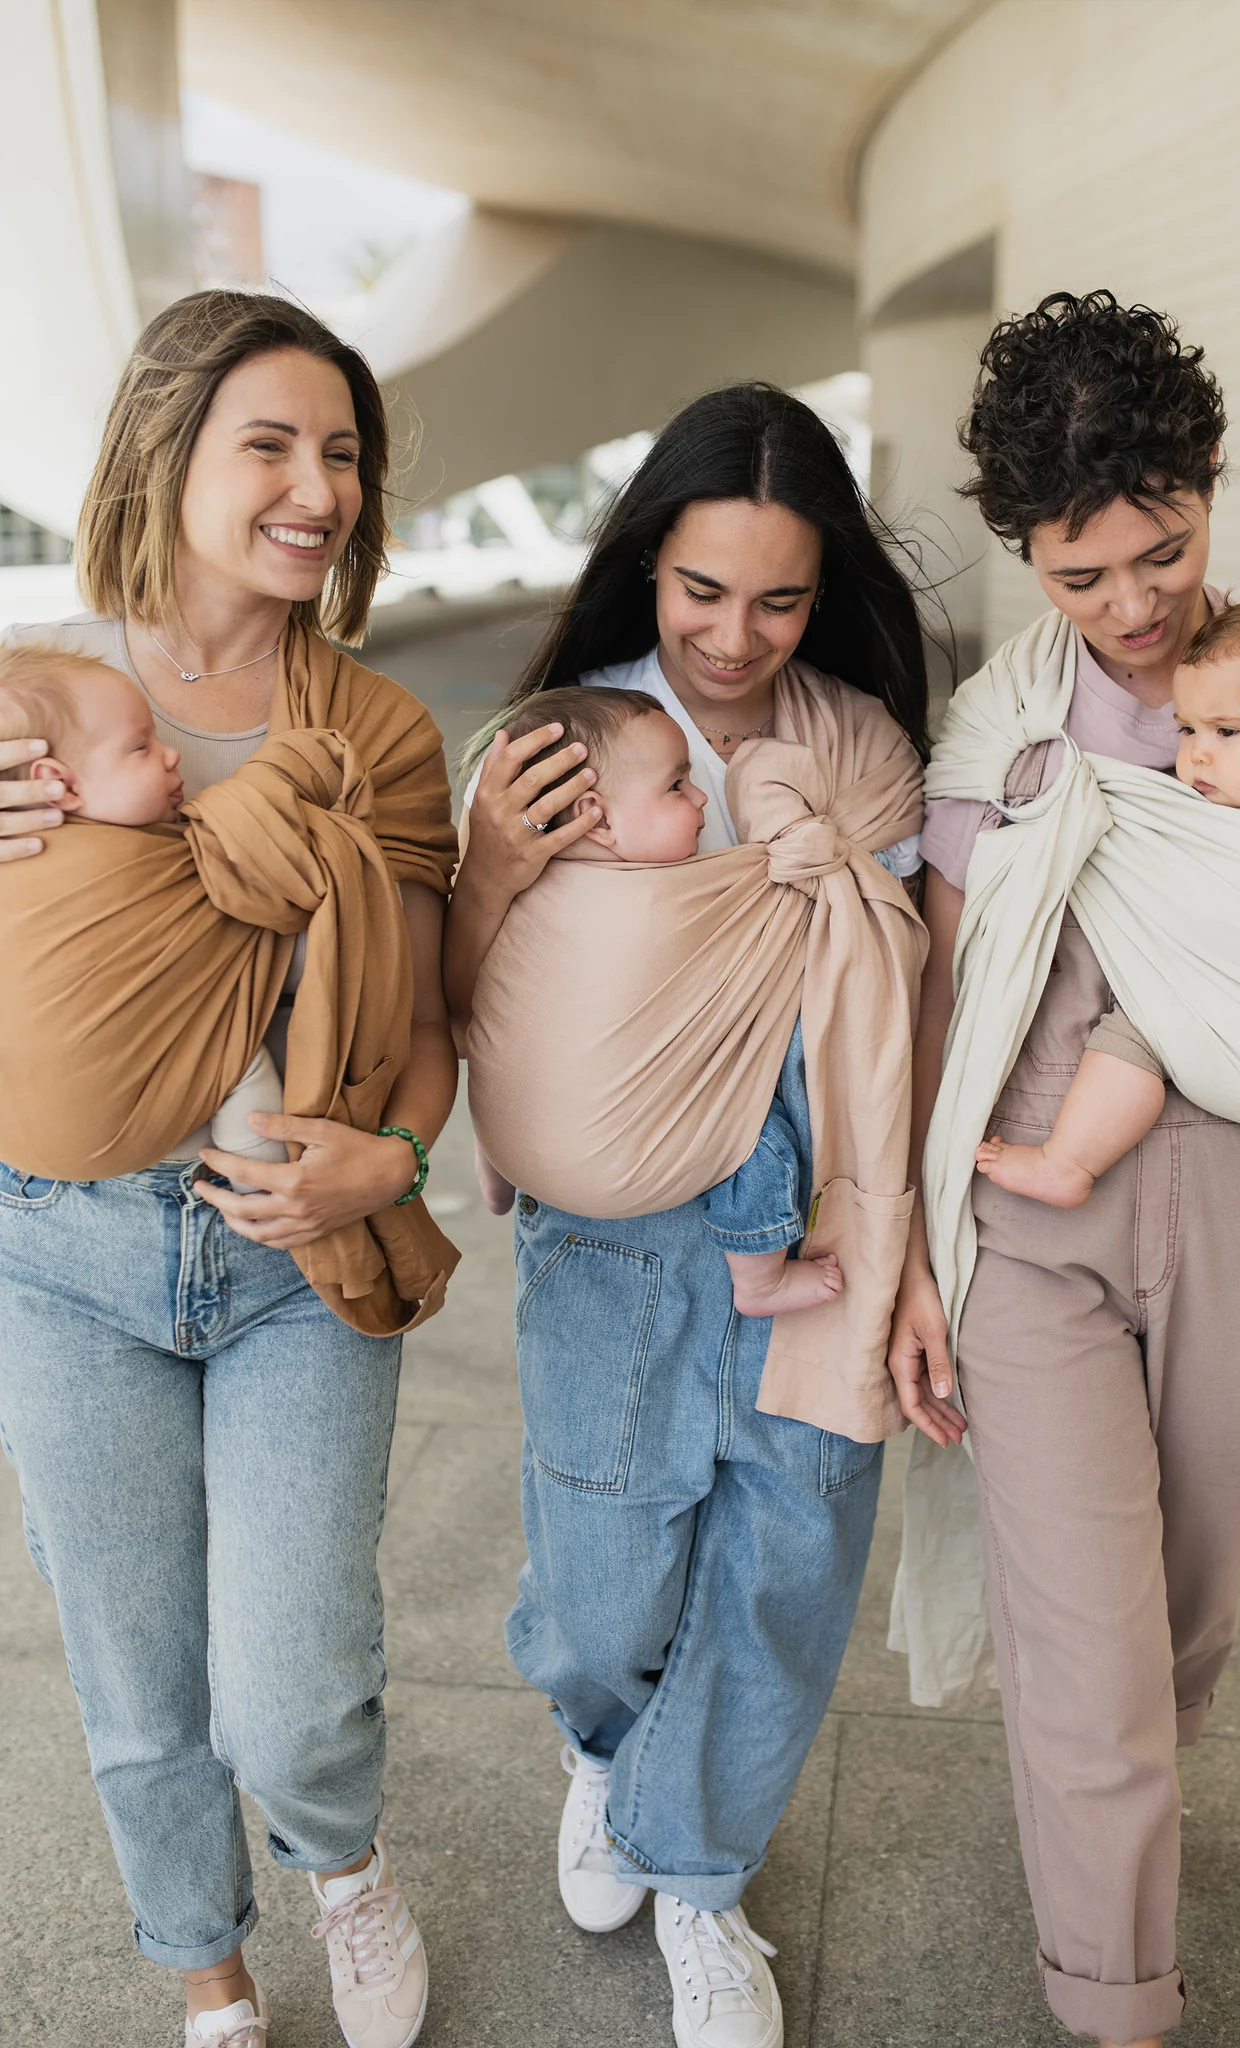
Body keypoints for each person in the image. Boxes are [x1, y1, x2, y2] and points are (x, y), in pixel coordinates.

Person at [889, 291, 1240, 2048]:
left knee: (1183, 1618)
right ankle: (1119, 2006)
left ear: (1211, 487)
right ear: (1029, 558)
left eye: (1163, 552)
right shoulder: (998, 738)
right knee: (1088, 1652)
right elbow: (937, 993)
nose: (1139, 605)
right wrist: (914, 1253)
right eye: (1083, 578)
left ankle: (1128, 1849)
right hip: (1030, 1217)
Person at [445, 382, 929, 2048]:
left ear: (826, 586)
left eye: (780, 596)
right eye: (701, 589)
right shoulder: (568, 741)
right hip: (613, 1233)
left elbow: (902, 1005)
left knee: (787, 1563)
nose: (736, 634)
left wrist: (909, 1242)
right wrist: (496, 876)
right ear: (648, 563)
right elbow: (475, 1004)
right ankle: (608, 1747)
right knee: (603, 1582)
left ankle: (703, 1875)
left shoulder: (859, 748)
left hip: (824, 1207)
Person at [0, 290, 459, 2048]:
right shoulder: (35, 687)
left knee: (297, 1683)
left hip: (292, 1250)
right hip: (58, 1248)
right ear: (167, 448)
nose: (315, 485)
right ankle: (206, 1966)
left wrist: (395, 1153)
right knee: (131, 1681)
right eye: (268, 442)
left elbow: (425, 1014)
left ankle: (343, 1860)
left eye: (340, 451)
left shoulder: (378, 732)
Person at [975, 589, 1240, 1208]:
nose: (1196, 752)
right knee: (1147, 1017)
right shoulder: (1197, 819)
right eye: (1187, 728)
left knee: (1141, 1027)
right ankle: (1067, 1161)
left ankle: (1066, 1161)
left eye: (1227, 730)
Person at [473, 684, 845, 1317]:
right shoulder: (676, 900)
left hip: (516, 1143)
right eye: (677, 786)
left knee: (512, 1037)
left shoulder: (528, 891)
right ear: (598, 815)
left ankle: (497, 1177)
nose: (701, 796)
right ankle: (760, 1278)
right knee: (759, 1121)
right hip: (618, 1166)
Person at [0, 645, 287, 1188]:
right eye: (140, 746)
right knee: (229, 1040)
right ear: (55, 780)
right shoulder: (152, 861)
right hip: (39, 1191)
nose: (171, 755)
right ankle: (263, 1180)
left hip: (28, 1150)